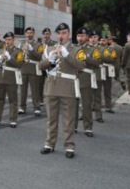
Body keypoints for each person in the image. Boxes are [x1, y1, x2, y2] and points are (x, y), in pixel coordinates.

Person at [39, 23, 85, 159]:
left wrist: (66, 55)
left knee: (68, 119)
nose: (61, 36)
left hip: (67, 87)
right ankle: (49, 143)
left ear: (69, 34)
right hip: (51, 86)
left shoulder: (76, 49)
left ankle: (69, 145)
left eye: (64, 33)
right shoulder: (50, 48)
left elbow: (81, 66)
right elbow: (41, 66)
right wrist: (50, 59)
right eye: (59, 33)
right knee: (51, 119)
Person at [0, 32, 24, 128]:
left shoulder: (18, 51)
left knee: (13, 100)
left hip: (11, 78)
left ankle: (13, 119)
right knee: (0, 99)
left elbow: (19, 65)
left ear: (13, 40)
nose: (7, 42)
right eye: (6, 40)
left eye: (9, 39)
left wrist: (9, 58)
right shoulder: (0, 51)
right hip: (0, 78)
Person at [75, 27, 100, 137]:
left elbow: (98, 63)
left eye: (83, 36)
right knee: (73, 105)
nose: (81, 38)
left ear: (87, 37)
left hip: (86, 78)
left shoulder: (93, 49)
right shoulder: (72, 48)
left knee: (86, 104)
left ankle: (88, 127)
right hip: (73, 78)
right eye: (79, 35)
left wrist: (86, 58)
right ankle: (73, 126)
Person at [19, 27, 44, 116]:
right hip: (24, 68)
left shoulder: (38, 44)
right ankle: (22, 107)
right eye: (27, 33)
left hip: (33, 68)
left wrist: (31, 49)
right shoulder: (21, 44)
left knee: (35, 90)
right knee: (23, 90)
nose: (29, 34)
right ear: (25, 34)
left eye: (31, 33)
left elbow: (40, 57)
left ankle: (36, 107)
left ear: (33, 34)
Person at [88, 30, 105, 123]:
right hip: (87, 74)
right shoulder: (86, 48)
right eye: (91, 37)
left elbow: (102, 59)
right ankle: (84, 114)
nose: (93, 39)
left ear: (98, 38)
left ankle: (98, 115)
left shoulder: (102, 48)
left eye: (95, 37)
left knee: (97, 96)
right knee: (86, 96)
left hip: (97, 74)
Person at [39, 28, 57, 106]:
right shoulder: (40, 44)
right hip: (42, 64)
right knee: (40, 83)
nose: (46, 35)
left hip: (50, 66)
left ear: (50, 34)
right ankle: (40, 99)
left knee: (51, 83)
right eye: (45, 34)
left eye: (47, 34)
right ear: (43, 35)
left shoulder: (54, 43)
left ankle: (52, 98)